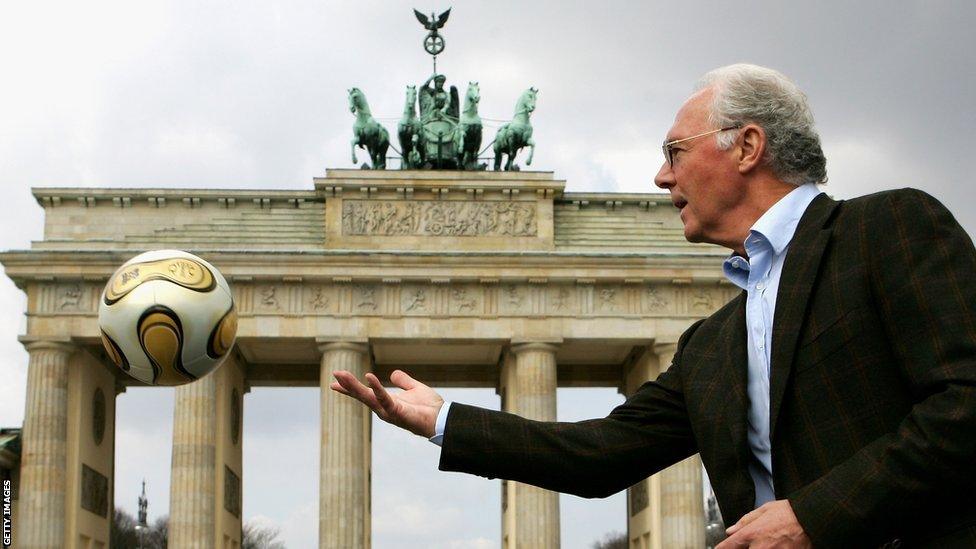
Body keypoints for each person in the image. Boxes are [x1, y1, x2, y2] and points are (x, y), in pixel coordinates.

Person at [332, 64, 976, 547]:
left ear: (747, 147)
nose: (662, 177)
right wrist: (443, 418)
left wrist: (815, 515)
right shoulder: (712, 344)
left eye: (675, 152)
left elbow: (965, 403)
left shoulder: (887, 228)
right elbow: (601, 453)